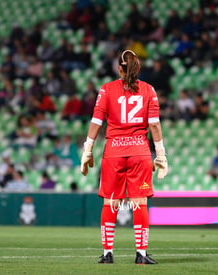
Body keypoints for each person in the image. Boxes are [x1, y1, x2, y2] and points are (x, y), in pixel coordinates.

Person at [80, 50, 167, 264]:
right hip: (140, 151)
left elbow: (96, 122)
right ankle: (141, 254)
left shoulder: (106, 90)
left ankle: (108, 253)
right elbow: (154, 124)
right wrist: (161, 154)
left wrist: (87, 149)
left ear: (119, 68)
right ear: (138, 69)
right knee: (139, 202)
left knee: (111, 202)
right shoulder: (149, 90)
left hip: (114, 152)